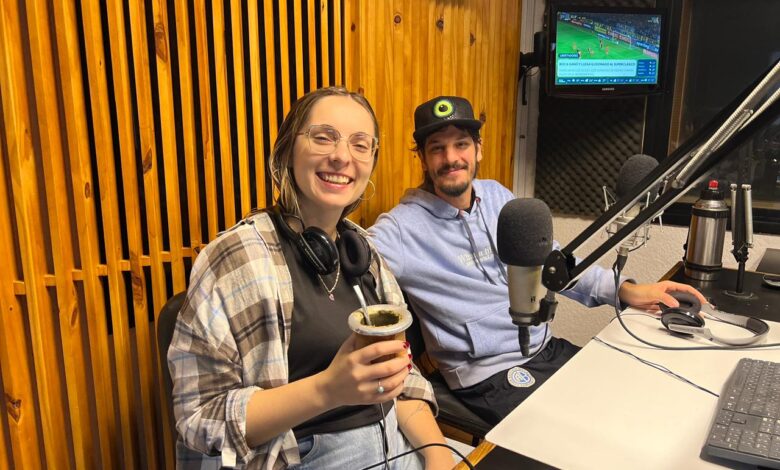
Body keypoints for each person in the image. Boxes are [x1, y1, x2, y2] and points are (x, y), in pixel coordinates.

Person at [368, 95, 708, 425]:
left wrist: (623, 290)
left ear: (478, 149)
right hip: (489, 376)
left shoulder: (497, 196)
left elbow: (551, 260)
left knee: (630, 398)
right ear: (422, 158)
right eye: (437, 148)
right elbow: (352, 258)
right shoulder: (400, 229)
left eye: (461, 144)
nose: (451, 158)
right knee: (581, 434)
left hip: (544, 347)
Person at [168, 87, 454, 469]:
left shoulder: (362, 253)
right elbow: (199, 417)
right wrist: (326, 390)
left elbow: (401, 374)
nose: (342, 156)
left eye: (360, 144)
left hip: (398, 447)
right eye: (323, 137)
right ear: (288, 150)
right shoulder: (236, 258)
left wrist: (438, 455)